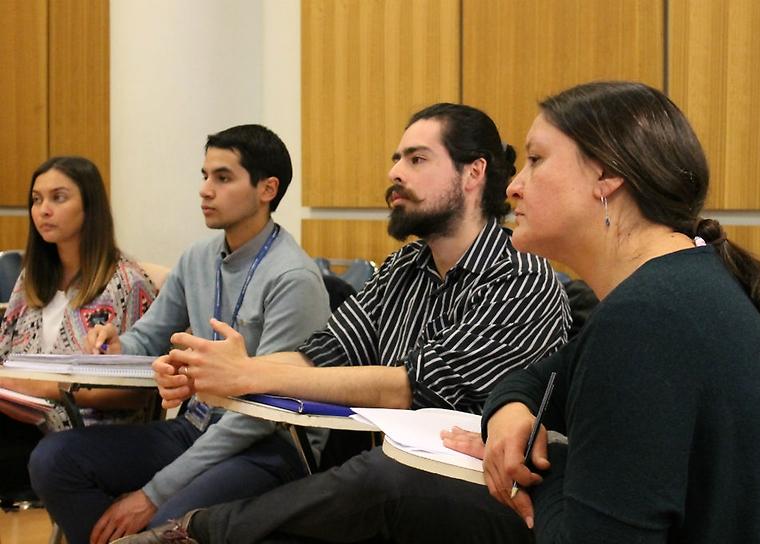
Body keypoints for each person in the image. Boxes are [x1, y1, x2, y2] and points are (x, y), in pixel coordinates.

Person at [118, 103, 571, 544]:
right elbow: (322, 353)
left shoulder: (522, 277)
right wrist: (208, 370)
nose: (395, 173)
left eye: (417, 160)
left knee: (376, 478)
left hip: (487, 492)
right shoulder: (404, 267)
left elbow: (410, 387)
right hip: (394, 483)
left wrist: (248, 374)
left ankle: (197, 529)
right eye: (397, 159)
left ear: (473, 173)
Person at [447, 81, 760, 543]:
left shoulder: (645, 320)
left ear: (607, 175)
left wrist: (542, 467)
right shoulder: (683, 284)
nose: (513, 186)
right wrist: (509, 413)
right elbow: (537, 379)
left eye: (536, 159)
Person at [28, 125, 331, 544]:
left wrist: (151, 495)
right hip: (196, 425)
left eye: (222, 178)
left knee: (167, 523)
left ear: (267, 189)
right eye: (205, 176)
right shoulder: (197, 258)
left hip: (269, 444)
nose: (205, 190)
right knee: (54, 460)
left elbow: (264, 412)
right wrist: (116, 344)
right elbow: (147, 339)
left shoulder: (293, 277)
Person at [0, 156, 157, 495]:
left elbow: (137, 394)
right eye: (36, 199)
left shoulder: (127, 283)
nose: (43, 210)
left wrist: (41, 388)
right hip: (24, 424)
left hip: (92, 440)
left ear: (90, 206)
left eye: (58, 198)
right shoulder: (30, 279)